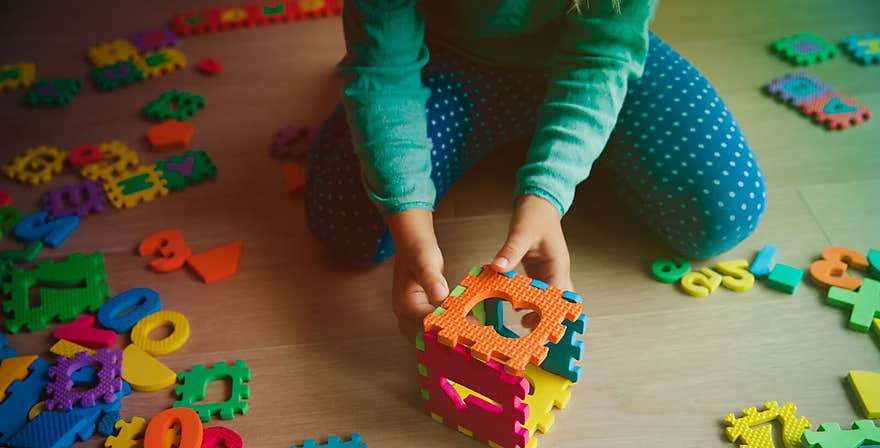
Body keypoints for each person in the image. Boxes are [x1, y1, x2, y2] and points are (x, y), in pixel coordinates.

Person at [305, 0, 766, 337]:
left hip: (588, 55)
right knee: (351, 224)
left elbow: (602, 58)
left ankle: (561, 138)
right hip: (445, 61)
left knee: (725, 210)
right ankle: (539, 139)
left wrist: (549, 190)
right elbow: (384, 74)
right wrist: (409, 219)